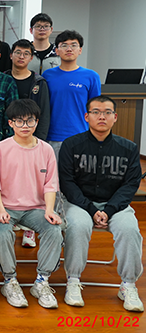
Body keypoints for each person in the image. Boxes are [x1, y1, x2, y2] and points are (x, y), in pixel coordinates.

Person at [60, 96, 144, 312]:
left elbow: (130, 184)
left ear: (115, 117)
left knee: (130, 229)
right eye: (96, 112)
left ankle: (128, 285)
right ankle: (73, 281)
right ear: (86, 116)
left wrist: (108, 210)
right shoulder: (71, 145)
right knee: (78, 226)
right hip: (79, 203)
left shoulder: (129, 148)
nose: (102, 117)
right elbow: (67, 182)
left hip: (115, 205)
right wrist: (91, 209)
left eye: (107, 112)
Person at [0, 99, 62, 309]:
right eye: (19, 121)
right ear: (10, 123)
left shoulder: (46, 149)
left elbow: (50, 184)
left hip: (36, 208)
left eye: (30, 121)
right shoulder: (0, 149)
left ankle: (42, 281)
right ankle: (10, 281)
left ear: (37, 122)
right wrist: (0, 209)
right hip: (6, 207)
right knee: (2, 232)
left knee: (54, 229)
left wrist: (50, 210)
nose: (25, 126)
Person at [43, 30, 101, 156]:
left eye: (73, 45)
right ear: (57, 51)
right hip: (52, 136)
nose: (69, 49)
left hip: (81, 135)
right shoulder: (47, 75)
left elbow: (96, 109)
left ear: (80, 50)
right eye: (64, 45)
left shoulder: (91, 76)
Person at [5, 39, 50, 141]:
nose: (21, 57)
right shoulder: (2, 80)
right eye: (18, 53)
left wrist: (39, 140)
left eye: (26, 54)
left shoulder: (39, 82)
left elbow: (44, 114)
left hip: (31, 137)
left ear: (31, 58)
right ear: (11, 55)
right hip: (5, 137)